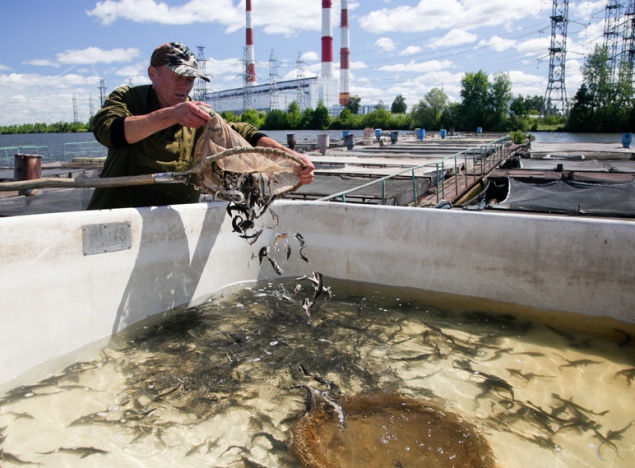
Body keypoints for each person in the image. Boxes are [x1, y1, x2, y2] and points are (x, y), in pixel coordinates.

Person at [87, 41, 314, 210]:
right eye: (178, 76)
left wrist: (290, 157)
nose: (185, 86)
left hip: (178, 219)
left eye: (191, 79)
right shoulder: (128, 98)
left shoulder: (196, 112)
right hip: (118, 217)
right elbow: (109, 131)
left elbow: (239, 132)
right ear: (152, 73)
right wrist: (172, 115)